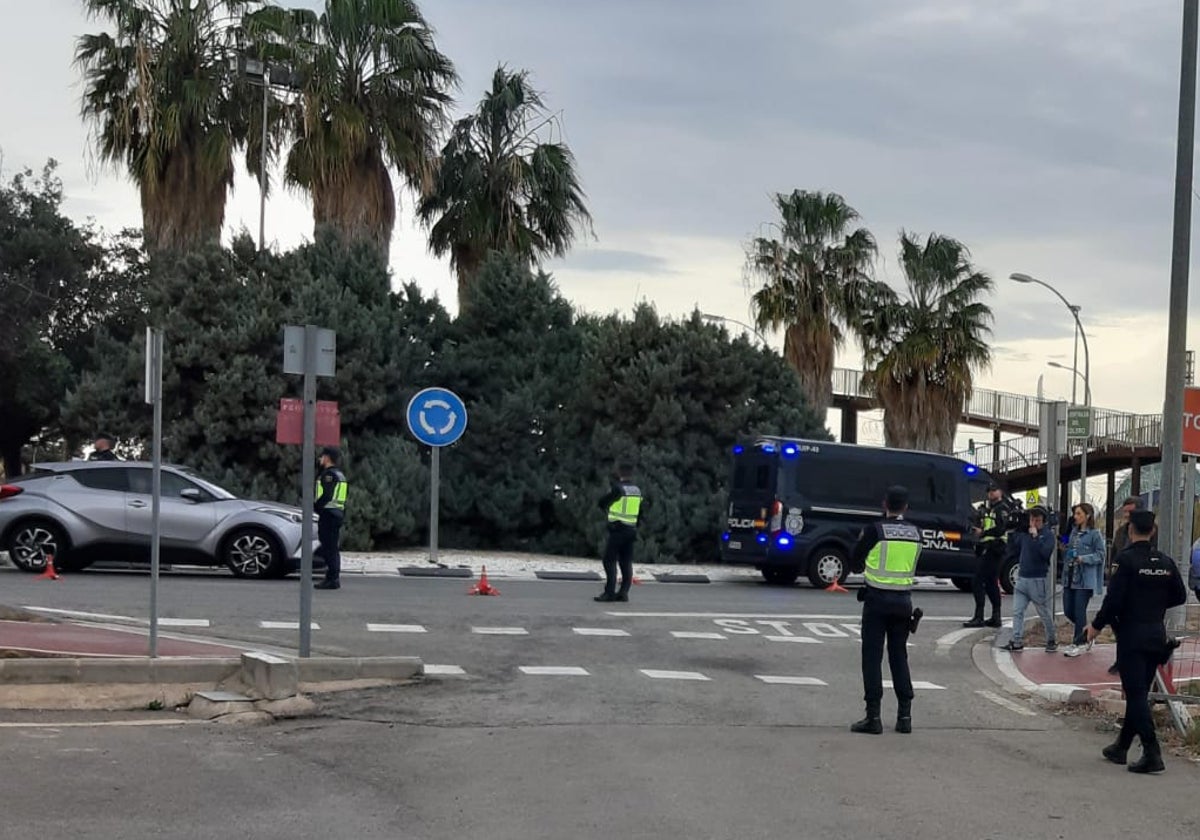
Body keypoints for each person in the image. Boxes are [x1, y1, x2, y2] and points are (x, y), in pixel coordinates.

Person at [1087, 509, 1187, 774]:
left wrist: (1096, 626)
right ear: (1152, 531)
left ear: (1130, 531)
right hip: (1156, 632)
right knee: (1139, 691)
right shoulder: (1165, 561)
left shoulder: (1126, 560)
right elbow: (1180, 595)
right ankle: (1120, 747)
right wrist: (1154, 603)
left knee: (1136, 693)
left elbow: (1113, 600)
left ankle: (1152, 751)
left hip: (1132, 634)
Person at [849, 485, 921, 735]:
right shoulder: (915, 533)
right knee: (899, 656)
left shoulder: (874, 530)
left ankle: (873, 717)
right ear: (906, 507)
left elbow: (855, 561)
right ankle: (905, 716)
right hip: (903, 603)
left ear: (884, 504)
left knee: (872, 657)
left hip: (876, 601)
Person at [1001, 506, 1057, 652]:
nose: (1034, 523)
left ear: (1043, 521)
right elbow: (1013, 546)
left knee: (1043, 611)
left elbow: (1045, 554)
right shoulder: (1025, 533)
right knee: (1017, 611)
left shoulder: (1048, 535)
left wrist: (1036, 537)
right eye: (1032, 519)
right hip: (1022, 578)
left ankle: (1051, 639)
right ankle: (1017, 640)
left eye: (1037, 520)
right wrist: (1014, 529)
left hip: (1037, 580)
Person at [963, 482, 1013, 628]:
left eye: (994, 490)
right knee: (991, 583)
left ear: (1000, 492)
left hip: (995, 548)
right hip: (987, 547)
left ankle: (979, 616)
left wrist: (983, 533)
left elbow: (1000, 529)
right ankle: (995, 617)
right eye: (989, 491)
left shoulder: (1002, 509)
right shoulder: (988, 509)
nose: (991, 493)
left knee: (978, 581)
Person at [1061, 503, 1106, 656]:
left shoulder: (1094, 534)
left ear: (1087, 515)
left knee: (1079, 611)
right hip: (1070, 577)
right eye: (1075, 514)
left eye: (1079, 514)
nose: (1075, 517)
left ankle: (1078, 642)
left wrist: (1083, 558)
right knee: (1068, 610)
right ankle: (1088, 632)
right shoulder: (1073, 532)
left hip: (1084, 579)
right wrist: (1064, 543)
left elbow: (1101, 555)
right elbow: (1065, 545)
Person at [595, 463, 641, 603]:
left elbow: (602, 502)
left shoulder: (618, 489)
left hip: (618, 528)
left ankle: (609, 592)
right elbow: (642, 511)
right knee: (626, 561)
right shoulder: (636, 490)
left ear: (619, 473)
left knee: (609, 560)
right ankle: (623, 593)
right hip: (631, 529)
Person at [313, 446, 348, 591]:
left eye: (322, 457)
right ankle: (332, 577)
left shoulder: (329, 475)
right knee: (332, 547)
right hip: (336, 513)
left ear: (327, 457)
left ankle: (332, 579)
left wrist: (316, 507)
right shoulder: (339, 474)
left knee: (329, 548)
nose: (320, 459)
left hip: (329, 513)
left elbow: (327, 495)